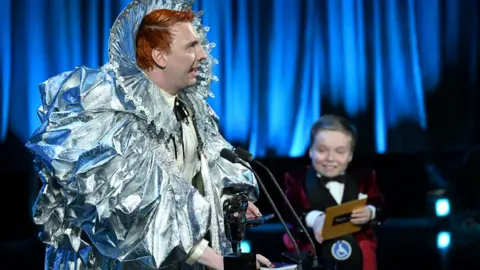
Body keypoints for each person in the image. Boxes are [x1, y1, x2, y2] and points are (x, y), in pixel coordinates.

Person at [26, 1, 271, 269]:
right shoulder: (113, 117)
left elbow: (206, 170)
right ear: (159, 56)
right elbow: (134, 214)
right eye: (191, 46)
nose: (203, 55)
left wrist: (228, 201)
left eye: (199, 44)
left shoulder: (191, 109)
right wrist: (220, 262)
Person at [282, 115, 386, 270]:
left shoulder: (364, 177)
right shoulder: (297, 178)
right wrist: (315, 219)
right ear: (311, 151)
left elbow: (381, 205)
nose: (330, 158)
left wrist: (370, 212)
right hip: (312, 258)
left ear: (350, 155)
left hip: (359, 258)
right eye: (322, 150)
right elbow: (289, 210)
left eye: (340, 151)